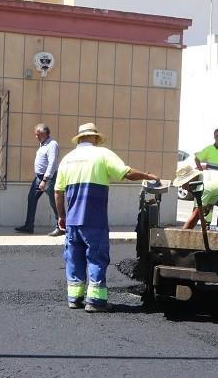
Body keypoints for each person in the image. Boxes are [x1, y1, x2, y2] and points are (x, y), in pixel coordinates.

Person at [55, 122, 160, 312]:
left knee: (74, 258)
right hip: (94, 220)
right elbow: (126, 173)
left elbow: (58, 191)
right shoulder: (102, 154)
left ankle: (74, 298)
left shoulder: (67, 159)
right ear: (95, 138)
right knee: (96, 257)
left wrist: (61, 216)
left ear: (80, 139)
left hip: (72, 222)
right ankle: (95, 302)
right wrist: (148, 175)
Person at [14, 123, 62, 236]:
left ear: (45, 134)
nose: (36, 137)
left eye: (38, 135)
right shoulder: (43, 144)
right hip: (38, 177)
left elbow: (52, 163)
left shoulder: (52, 144)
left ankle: (60, 227)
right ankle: (29, 226)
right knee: (31, 199)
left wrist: (45, 180)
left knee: (54, 202)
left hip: (49, 178)